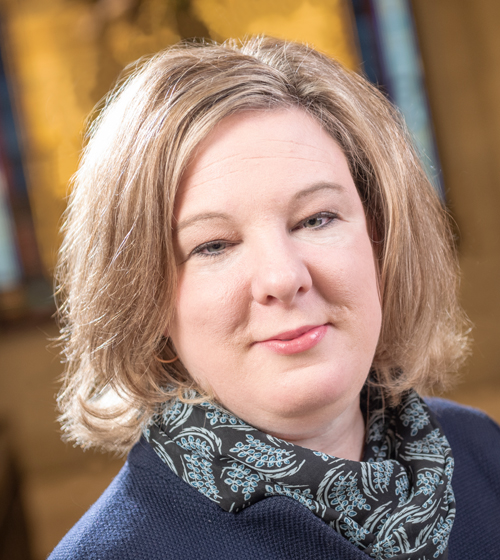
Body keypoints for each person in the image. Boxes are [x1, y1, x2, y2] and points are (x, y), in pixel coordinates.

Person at [49, 37, 500, 560]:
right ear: (142, 298)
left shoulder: (483, 453)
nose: (283, 279)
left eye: (316, 218)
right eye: (213, 245)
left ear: (381, 235)